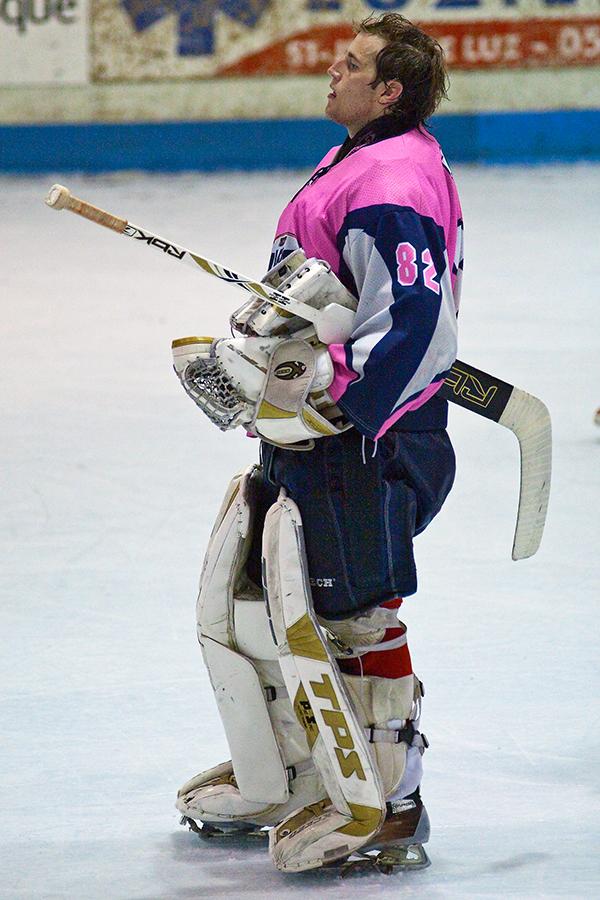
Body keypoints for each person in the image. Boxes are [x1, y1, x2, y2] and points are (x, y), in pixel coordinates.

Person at [174, 13, 463, 874]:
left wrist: (352, 410)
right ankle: (295, 773)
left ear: (390, 91)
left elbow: (413, 317)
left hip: (363, 440)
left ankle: (390, 805)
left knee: (353, 614)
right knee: (268, 596)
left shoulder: (395, 177)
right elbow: (338, 294)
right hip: (312, 428)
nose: (330, 73)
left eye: (352, 65)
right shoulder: (361, 157)